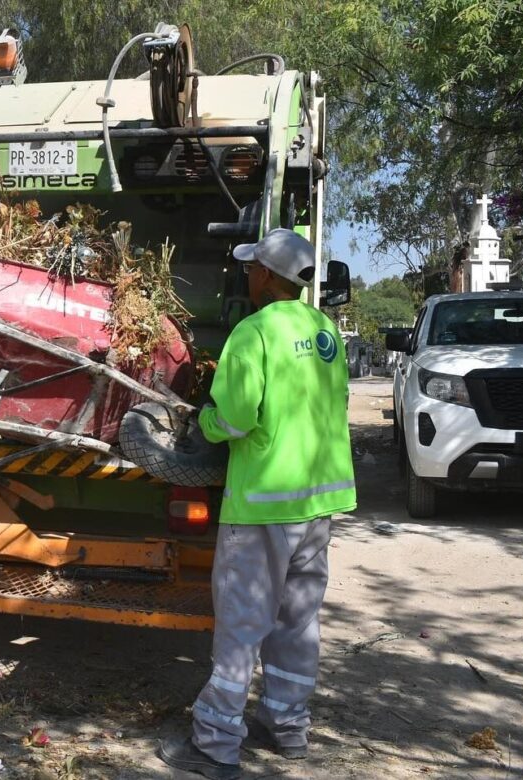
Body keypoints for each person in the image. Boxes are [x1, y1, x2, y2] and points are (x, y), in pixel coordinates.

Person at [157, 228, 356, 779]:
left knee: (243, 624)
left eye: (252, 267)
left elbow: (237, 417)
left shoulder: (252, 333)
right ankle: (286, 725)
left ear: (267, 276)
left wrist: (204, 423)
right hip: (319, 501)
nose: (247, 273)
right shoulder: (325, 331)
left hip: (264, 503)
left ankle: (216, 743)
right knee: (297, 619)